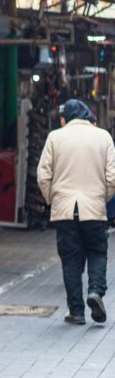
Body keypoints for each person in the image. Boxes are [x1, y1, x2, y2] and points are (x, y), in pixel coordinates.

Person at [37, 99, 115, 325]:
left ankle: (77, 312)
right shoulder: (103, 137)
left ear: (67, 118)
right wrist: (101, 198)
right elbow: (112, 178)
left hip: (64, 211)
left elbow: (43, 176)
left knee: (70, 259)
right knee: (97, 252)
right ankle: (96, 291)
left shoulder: (55, 137)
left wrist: (53, 199)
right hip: (94, 208)